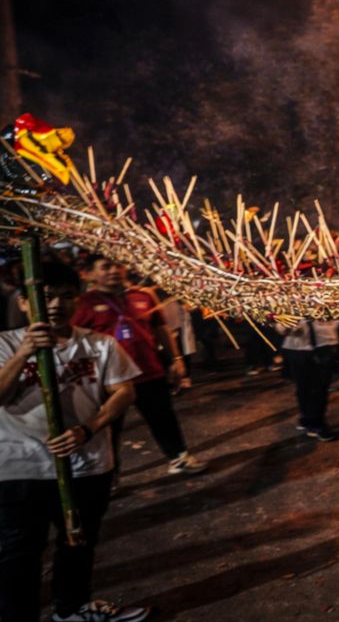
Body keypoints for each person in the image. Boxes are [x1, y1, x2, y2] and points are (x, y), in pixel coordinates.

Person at [0, 260, 150, 622]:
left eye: (66, 297)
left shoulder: (100, 345)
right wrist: (24, 354)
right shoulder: (4, 345)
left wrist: (88, 429)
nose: (55, 305)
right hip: (21, 468)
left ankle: (72, 609)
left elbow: (123, 392)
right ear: (24, 302)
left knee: (78, 542)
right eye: (46, 297)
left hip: (86, 465)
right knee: (19, 552)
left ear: (77, 300)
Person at [70, 255, 205, 477]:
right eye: (106, 267)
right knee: (109, 429)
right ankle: (110, 475)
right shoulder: (83, 304)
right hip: (110, 381)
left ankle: (178, 458)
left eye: (118, 264)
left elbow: (162, 330)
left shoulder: (143, 296)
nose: (114, 270)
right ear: (91, 273)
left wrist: (177, 359)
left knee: (163, 418)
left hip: (148, 371)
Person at [280, 319, 339, 441]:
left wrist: (331, 325)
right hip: (298, 348)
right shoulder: (290, 303)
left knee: (321, 388)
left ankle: (317, 422)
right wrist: (287, 326)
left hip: (324, 346)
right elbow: (279, 325)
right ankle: (307, 418)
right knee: (303, 387)